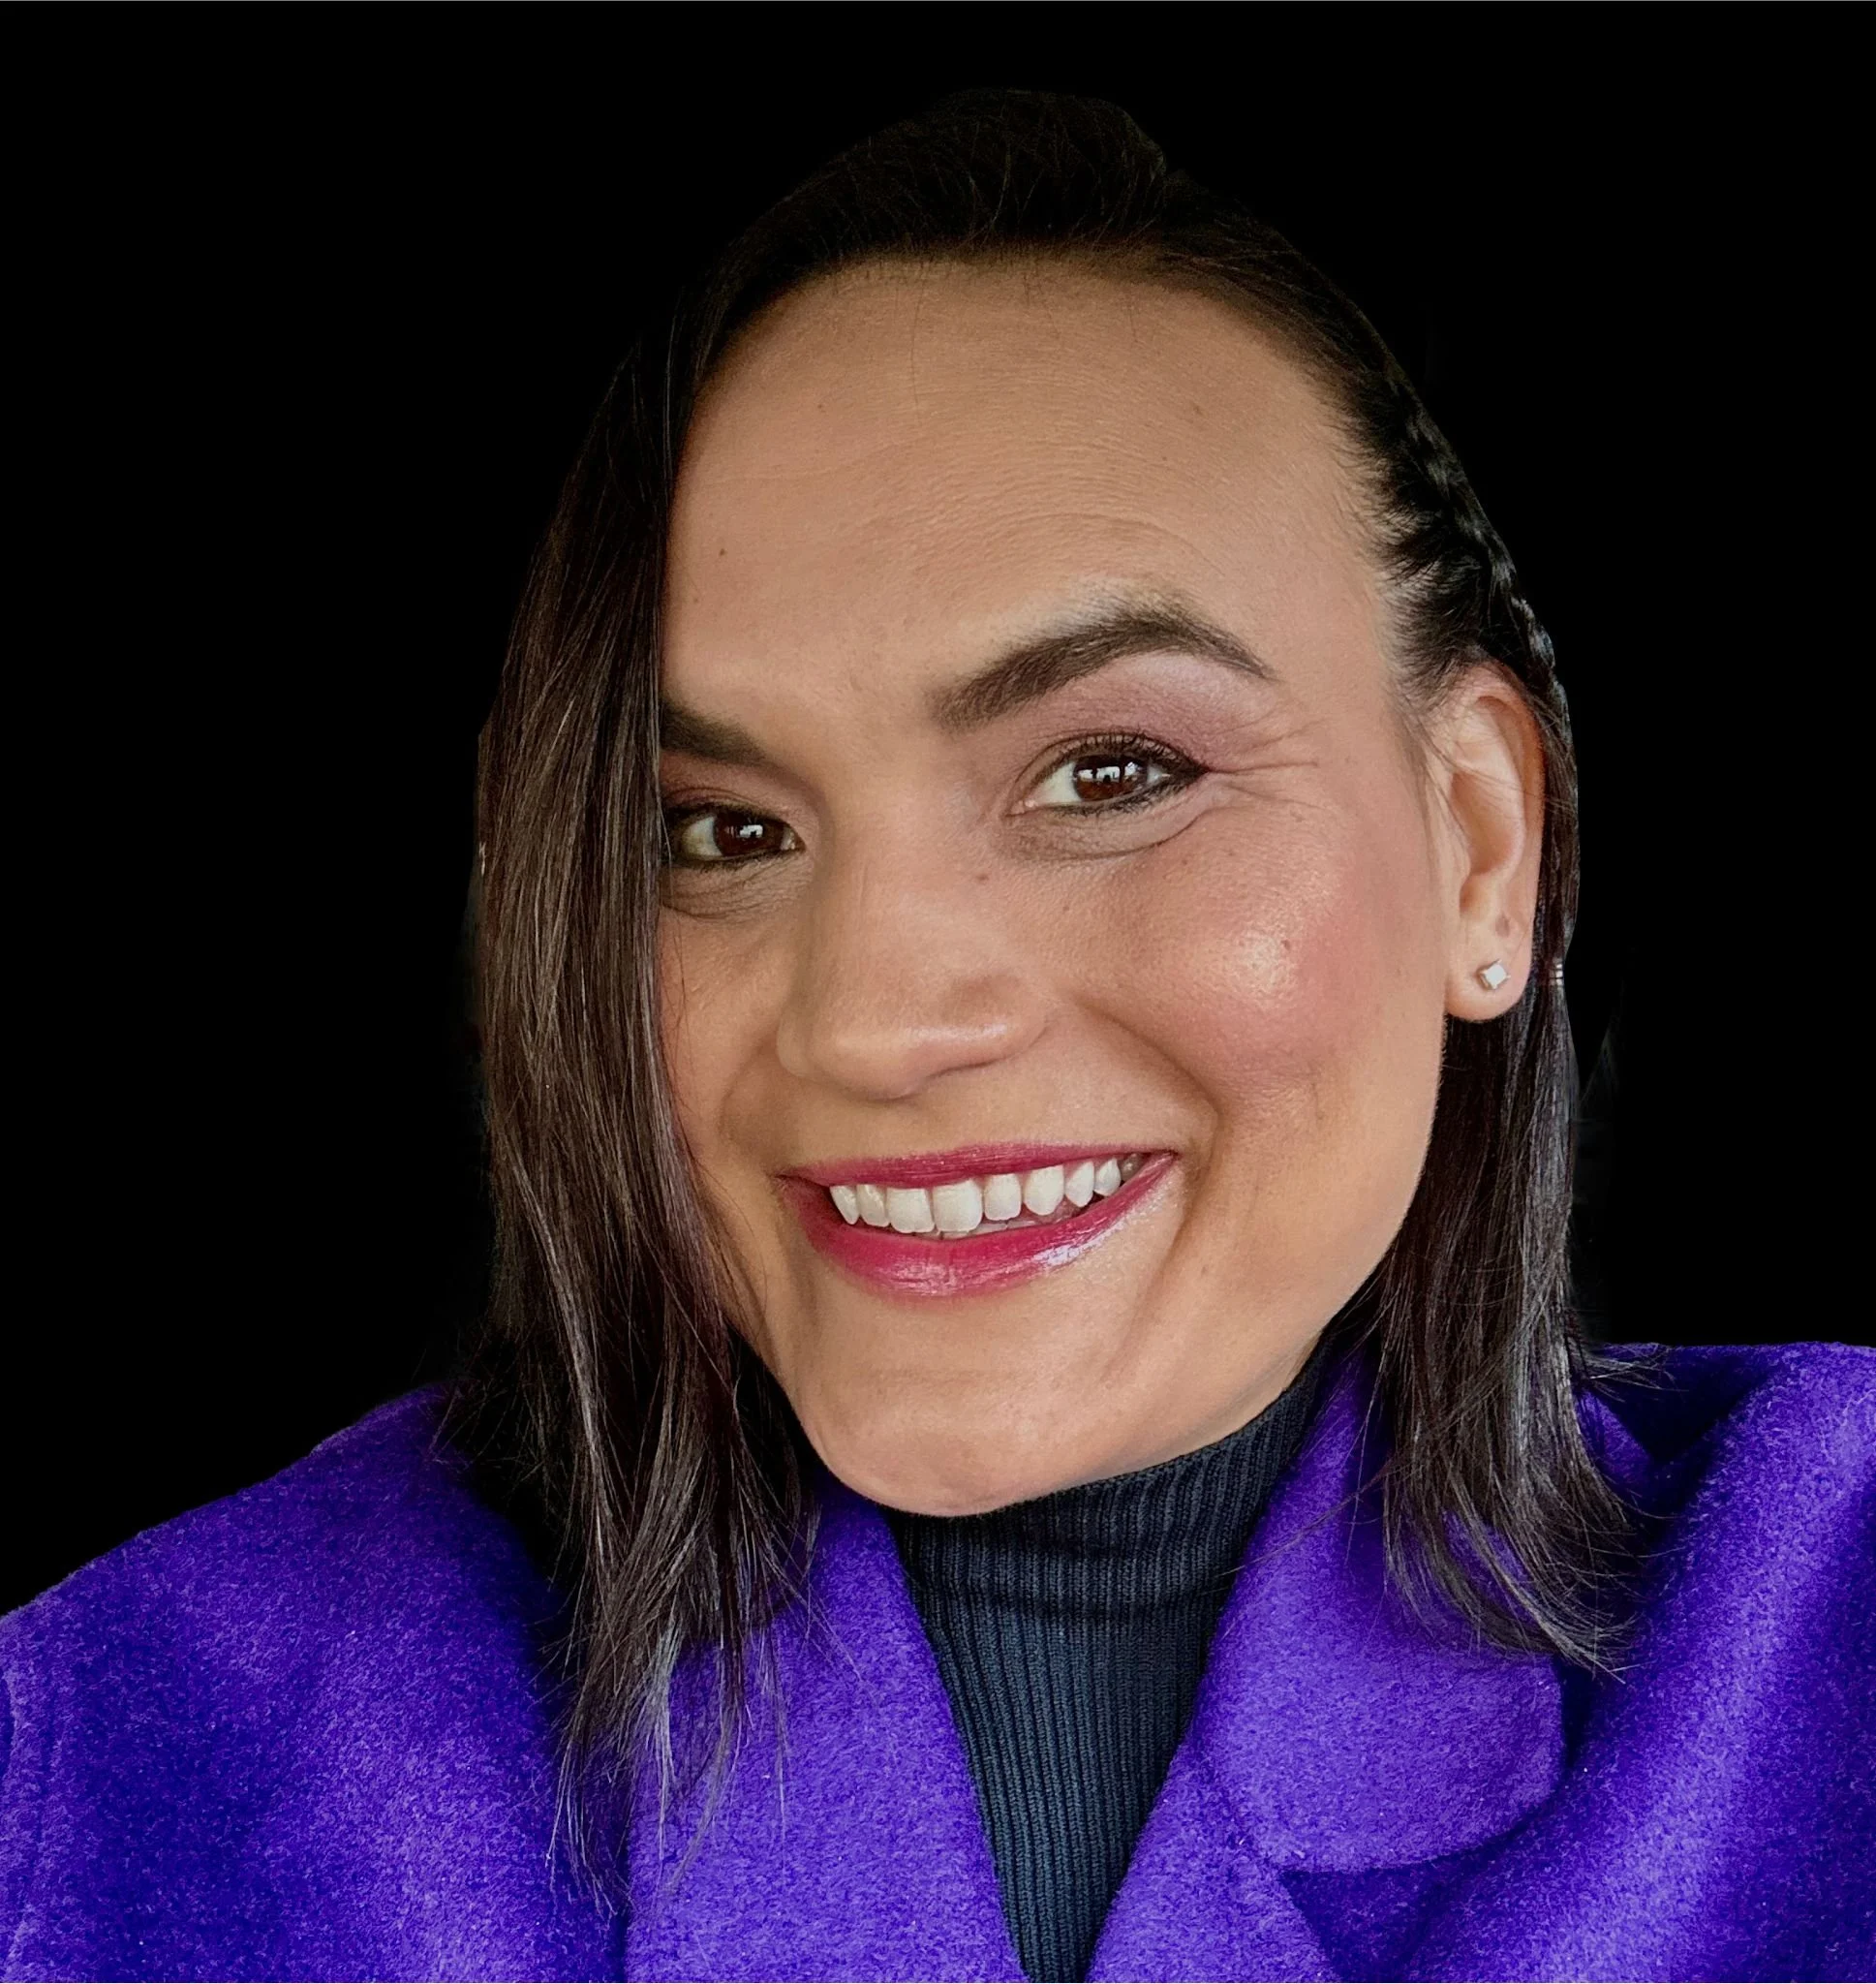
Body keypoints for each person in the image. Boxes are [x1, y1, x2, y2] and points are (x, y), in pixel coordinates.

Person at [3, 91, 1869, 1984]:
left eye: (1108, 771)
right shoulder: (114, 1745)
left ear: (1479, 845)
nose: (880, 1017)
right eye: (721, 832)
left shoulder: (1830, 1613)